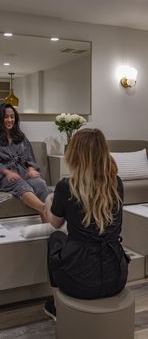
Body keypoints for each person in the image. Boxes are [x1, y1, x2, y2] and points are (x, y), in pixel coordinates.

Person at [43, 128, 130, 321]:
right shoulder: (117, 184)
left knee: (55, 239)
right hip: (117, 277)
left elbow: (55, 223)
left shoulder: (66, 186)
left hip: (79, 280)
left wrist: (49, 200)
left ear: (75, 154)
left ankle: (57, 307)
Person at [0, 103, 52, 220]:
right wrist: (7, 172)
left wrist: (30, 168)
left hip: (23, 171)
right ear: (0, 119)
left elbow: (29, 158)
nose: (9, 120)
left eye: (12, 116)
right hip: (5, 175)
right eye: (6, 117)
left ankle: (48, 226)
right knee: (21, 184)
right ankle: (45, 209)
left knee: (40, 184)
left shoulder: (21, 137)